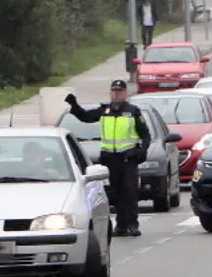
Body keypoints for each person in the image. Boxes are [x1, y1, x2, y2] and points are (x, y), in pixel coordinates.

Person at [65, 80, 151, 237]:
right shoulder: (105, 110)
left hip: (128, 159)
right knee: (115, 193)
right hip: (110, 159)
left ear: (125, 94)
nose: (116, 94)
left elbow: (145, 135)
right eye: (114, 92)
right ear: (110, 93)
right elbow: (86, 117)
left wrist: (140, 151)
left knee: (129, 191)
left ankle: (133, 224)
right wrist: (74, 106)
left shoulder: (133, 112)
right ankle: (121, 225)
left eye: (120, 92)